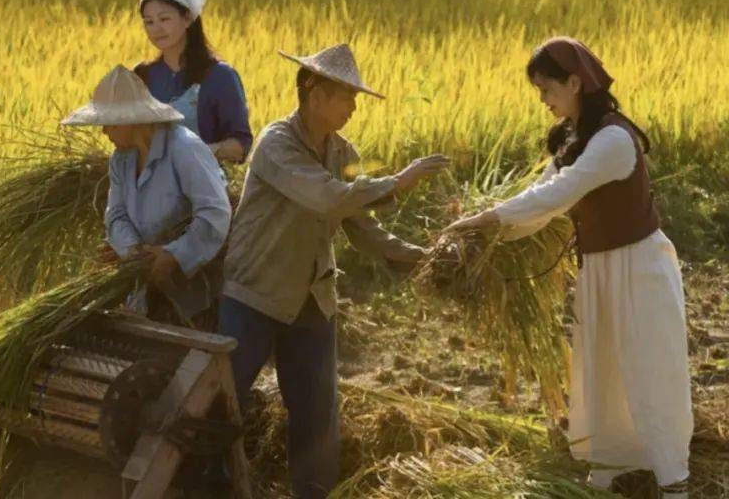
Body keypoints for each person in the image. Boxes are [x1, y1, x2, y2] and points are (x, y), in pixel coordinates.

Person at [445, 37, 692, 498]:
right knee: (599, 369)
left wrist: (490, 217)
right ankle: (607, 469)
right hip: (599, 271)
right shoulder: (573, 141)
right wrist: (485, 231)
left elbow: (557, 195)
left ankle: (673, 480)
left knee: (648, 369)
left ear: (575, 82)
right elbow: (540, 208)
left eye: (547, 89)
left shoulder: (614, 139)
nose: (543, 100)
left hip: (639, 270)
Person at [218, 43, 450, 499]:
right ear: (313, 91)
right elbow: (326, 197)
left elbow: (361, 226)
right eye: (346, 96)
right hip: (256, 291)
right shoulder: (276, 143)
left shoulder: (343, 150)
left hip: (313, 295)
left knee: (317, 415)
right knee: (223, 406)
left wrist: (417, 255)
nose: (353, 107)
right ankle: (208, 489)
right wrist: (398, 182)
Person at [62, 64, 231, 324]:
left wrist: (174, 255)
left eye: (109, 123)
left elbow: (215, 213)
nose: (104, 132)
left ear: (131, 119)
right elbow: (116, 215)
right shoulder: (121, 159)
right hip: (144, 294)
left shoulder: (184, 149)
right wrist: (133, 253)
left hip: (195, 300)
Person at [136, 0, 252, 163]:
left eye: (164, 19)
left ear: (187, 18)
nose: (156, 29)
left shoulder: (220, 76)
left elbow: (240, 145)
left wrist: (195, 153)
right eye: (149, 22)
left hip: (204, 184)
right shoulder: (141, 76)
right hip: (149, 185)